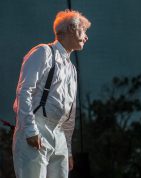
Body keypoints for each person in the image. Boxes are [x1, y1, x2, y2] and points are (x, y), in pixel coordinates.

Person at [12, 10, 91, 178]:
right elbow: (24, 90)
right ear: (71, 28)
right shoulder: (43, 52)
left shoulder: (72, 69)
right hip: (37, 127)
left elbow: (69, 113)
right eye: (83, 30)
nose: (86, 37)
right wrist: (30, 129)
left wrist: (67, 149)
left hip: (59, 134)